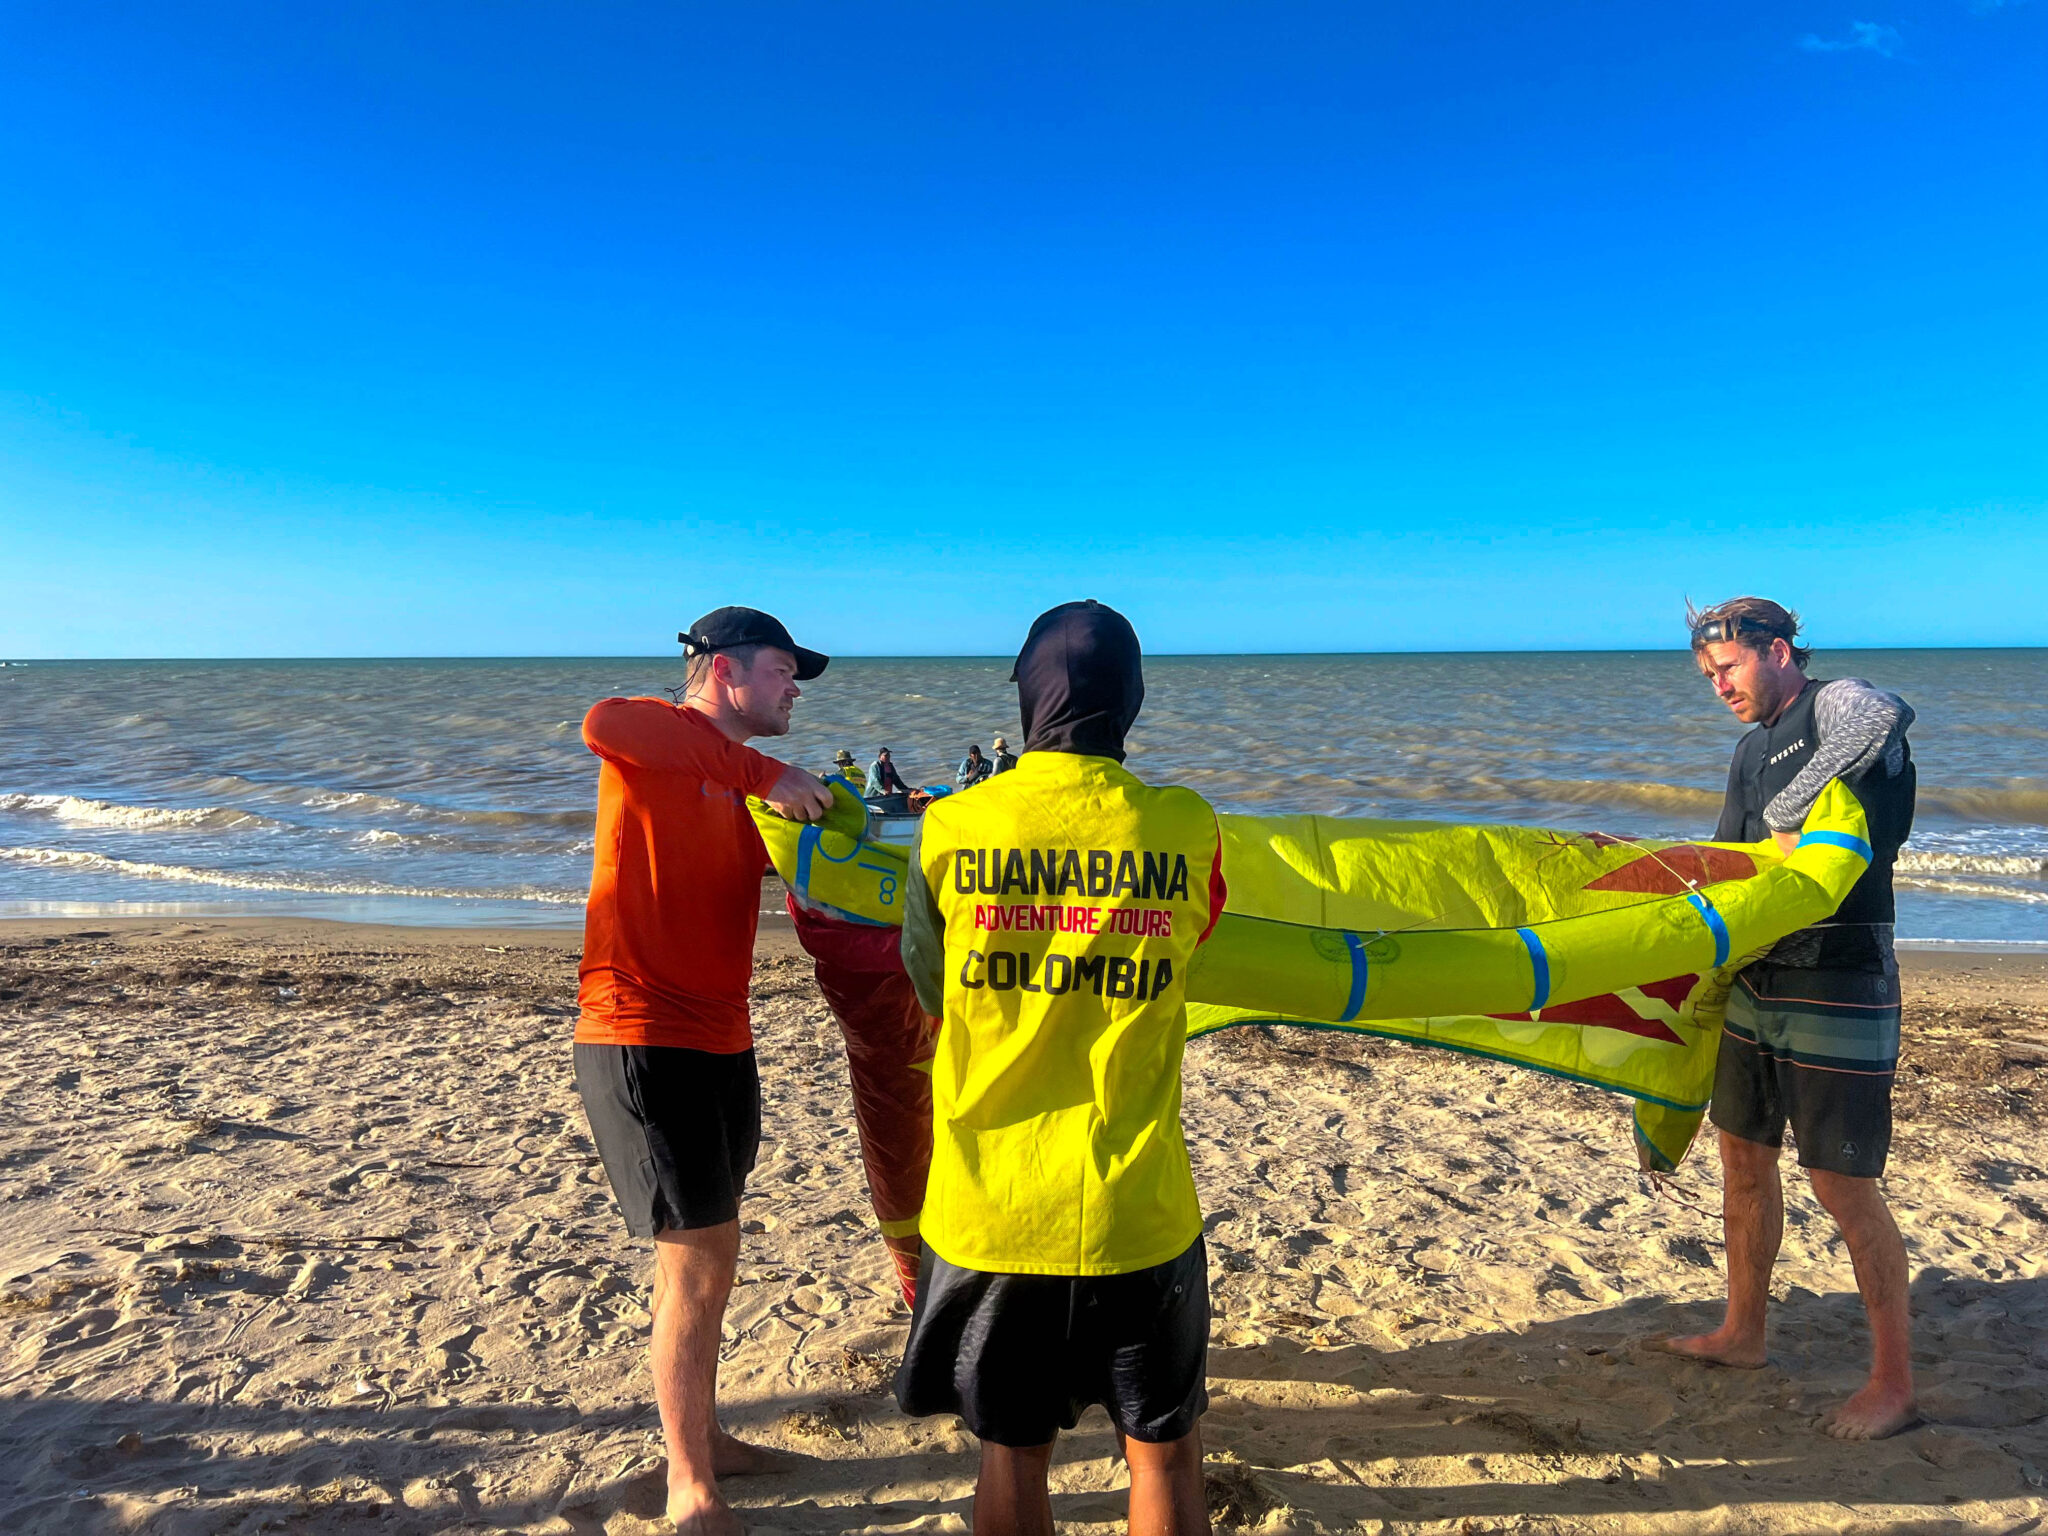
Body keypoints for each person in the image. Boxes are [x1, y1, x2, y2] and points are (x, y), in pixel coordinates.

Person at [895, 600, 1227, 1536]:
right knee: (1165, 1456)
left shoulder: (953, 825)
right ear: (1131, 700)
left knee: (1011, 1452)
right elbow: (1194, 940)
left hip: (992, 1208)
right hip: (1135, 1206)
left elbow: (929, 980)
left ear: (1027, 700)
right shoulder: (1185, 825)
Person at [573, 606, 835, 1534]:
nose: (793, 689)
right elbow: (600, 720)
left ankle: (708, 1438)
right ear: (723, 669)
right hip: (640, 1030)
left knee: (711, 1251)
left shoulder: (737, 785)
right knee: (695, 1258)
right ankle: (688, 1483)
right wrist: (768, 774)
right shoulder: (650, 734)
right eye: (781, 670)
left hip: (724, 1036)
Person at [1653, 596, 1919, 1441]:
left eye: (1728, 667)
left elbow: (1885, 717)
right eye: (1708, 675)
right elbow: (1731, 866)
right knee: (1741, 1156)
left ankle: (1893, 1383)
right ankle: (1744, 1333)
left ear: (1777, 650)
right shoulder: (1747, 750)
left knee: (1841, 1183)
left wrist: (1788, 812)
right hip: (1757, 978)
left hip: (1841, 974)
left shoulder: (1836, 704)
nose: (1719, 686)